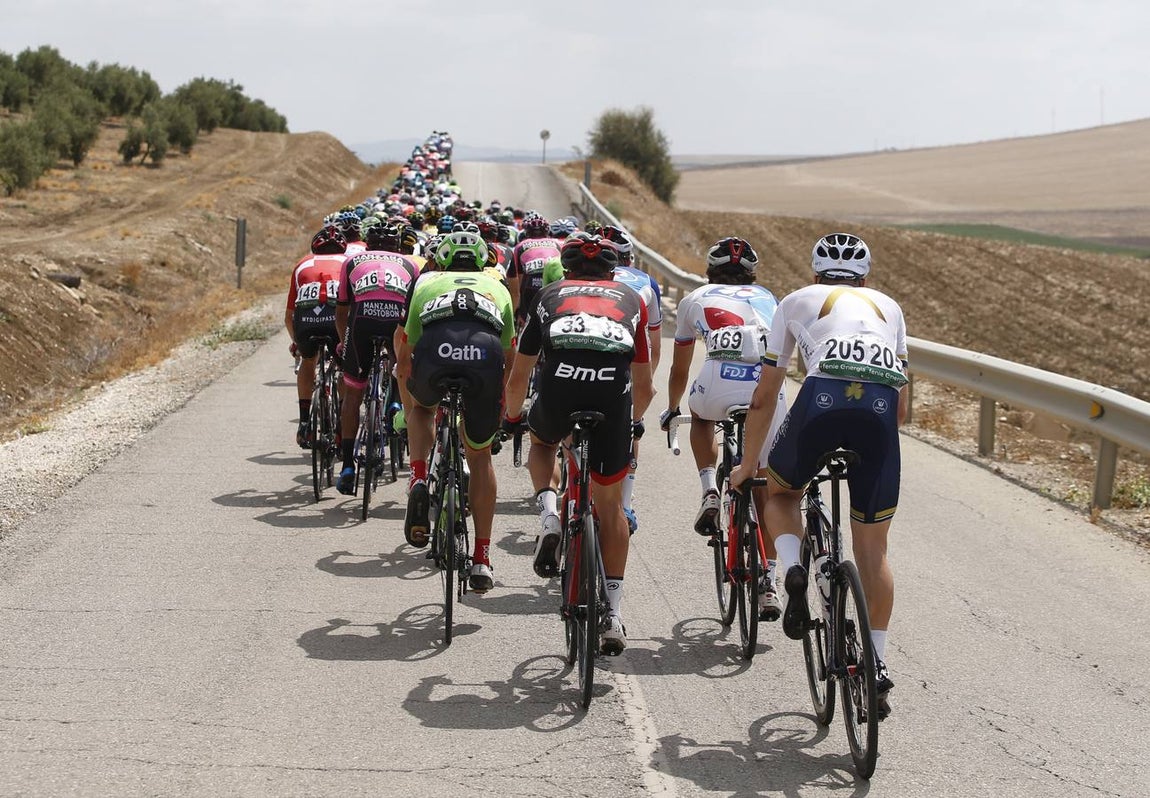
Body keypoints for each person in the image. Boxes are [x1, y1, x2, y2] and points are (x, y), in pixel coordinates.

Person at [730, 232, 908, 716]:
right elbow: (903, 411)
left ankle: (790, 569)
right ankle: (878, 663)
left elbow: (765, 396)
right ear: (865, 278)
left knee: (781, 495)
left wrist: (748, 466)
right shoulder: (889, 307)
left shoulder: (793, 301)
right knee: (873, 548)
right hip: (878, 412)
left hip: (820, 401)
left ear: (814, 273)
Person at [502, 233, 655, 654]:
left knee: (541, 441)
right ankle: (614, 615)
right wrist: (633, 423)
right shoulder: (630, 299)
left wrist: (513, 417)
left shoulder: (550, 294)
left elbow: (519, 375)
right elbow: (644, 384)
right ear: (613, 270)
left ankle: (550, 515)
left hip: (560, 391)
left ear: (567, 269)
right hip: (611, 398)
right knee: (610, 508)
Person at [659, 237, 785, 619]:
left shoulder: (694, 299)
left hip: (717, 383)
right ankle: (769, 584)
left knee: (701, 417)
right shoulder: (769, 298)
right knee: (764, 485)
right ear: (752, 273)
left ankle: (709, 489)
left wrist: (671, 407)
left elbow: (680, 368)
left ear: (709, 270)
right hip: (764, 389)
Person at [396, 230, 515, 594]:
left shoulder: (426, 281)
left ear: (442, 259)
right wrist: (498, 403)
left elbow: (406, 353)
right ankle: (481, 558)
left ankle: (418, 477)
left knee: (423, 409)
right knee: (480, 457)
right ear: (483, 261)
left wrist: (410, 402)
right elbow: (509, 358)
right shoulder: (498, 286)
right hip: (484, 357)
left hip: (435, 352)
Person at [334, 223, 420, 494]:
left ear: (367, 245)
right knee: (401, 365)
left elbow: (341, 312)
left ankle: (347, 466)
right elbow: (414, 313)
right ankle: (395, 402)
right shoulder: (410, 265)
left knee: (353, 393)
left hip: (362, 321)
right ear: (398, 246)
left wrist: (342, 342)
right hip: (395, 319)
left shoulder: (351, 261)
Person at [599, 225, 662, 533]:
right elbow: (655, 346)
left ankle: (572, 499)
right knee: (631, 430)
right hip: (630, 358)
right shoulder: (646, 282)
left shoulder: (580, 276)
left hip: (583, 357)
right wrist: (644, 387)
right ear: (629, 260)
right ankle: (625, 504)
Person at [286, 226, 347, 448]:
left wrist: (296, 343)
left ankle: (304, 423)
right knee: (344, 367)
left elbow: (289, 316)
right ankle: (342, 425)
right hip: (334, 319)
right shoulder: (348, 263)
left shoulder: (302, 264)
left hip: (306, 321)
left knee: (308, 360)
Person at [505, 212, 561, 323]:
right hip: (553, 287)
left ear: (527, 232)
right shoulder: (558, 244)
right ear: (547, 231)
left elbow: (517, 280)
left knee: (526, 322)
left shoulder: (521, 246)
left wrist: (518, 310)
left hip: (530, 287)